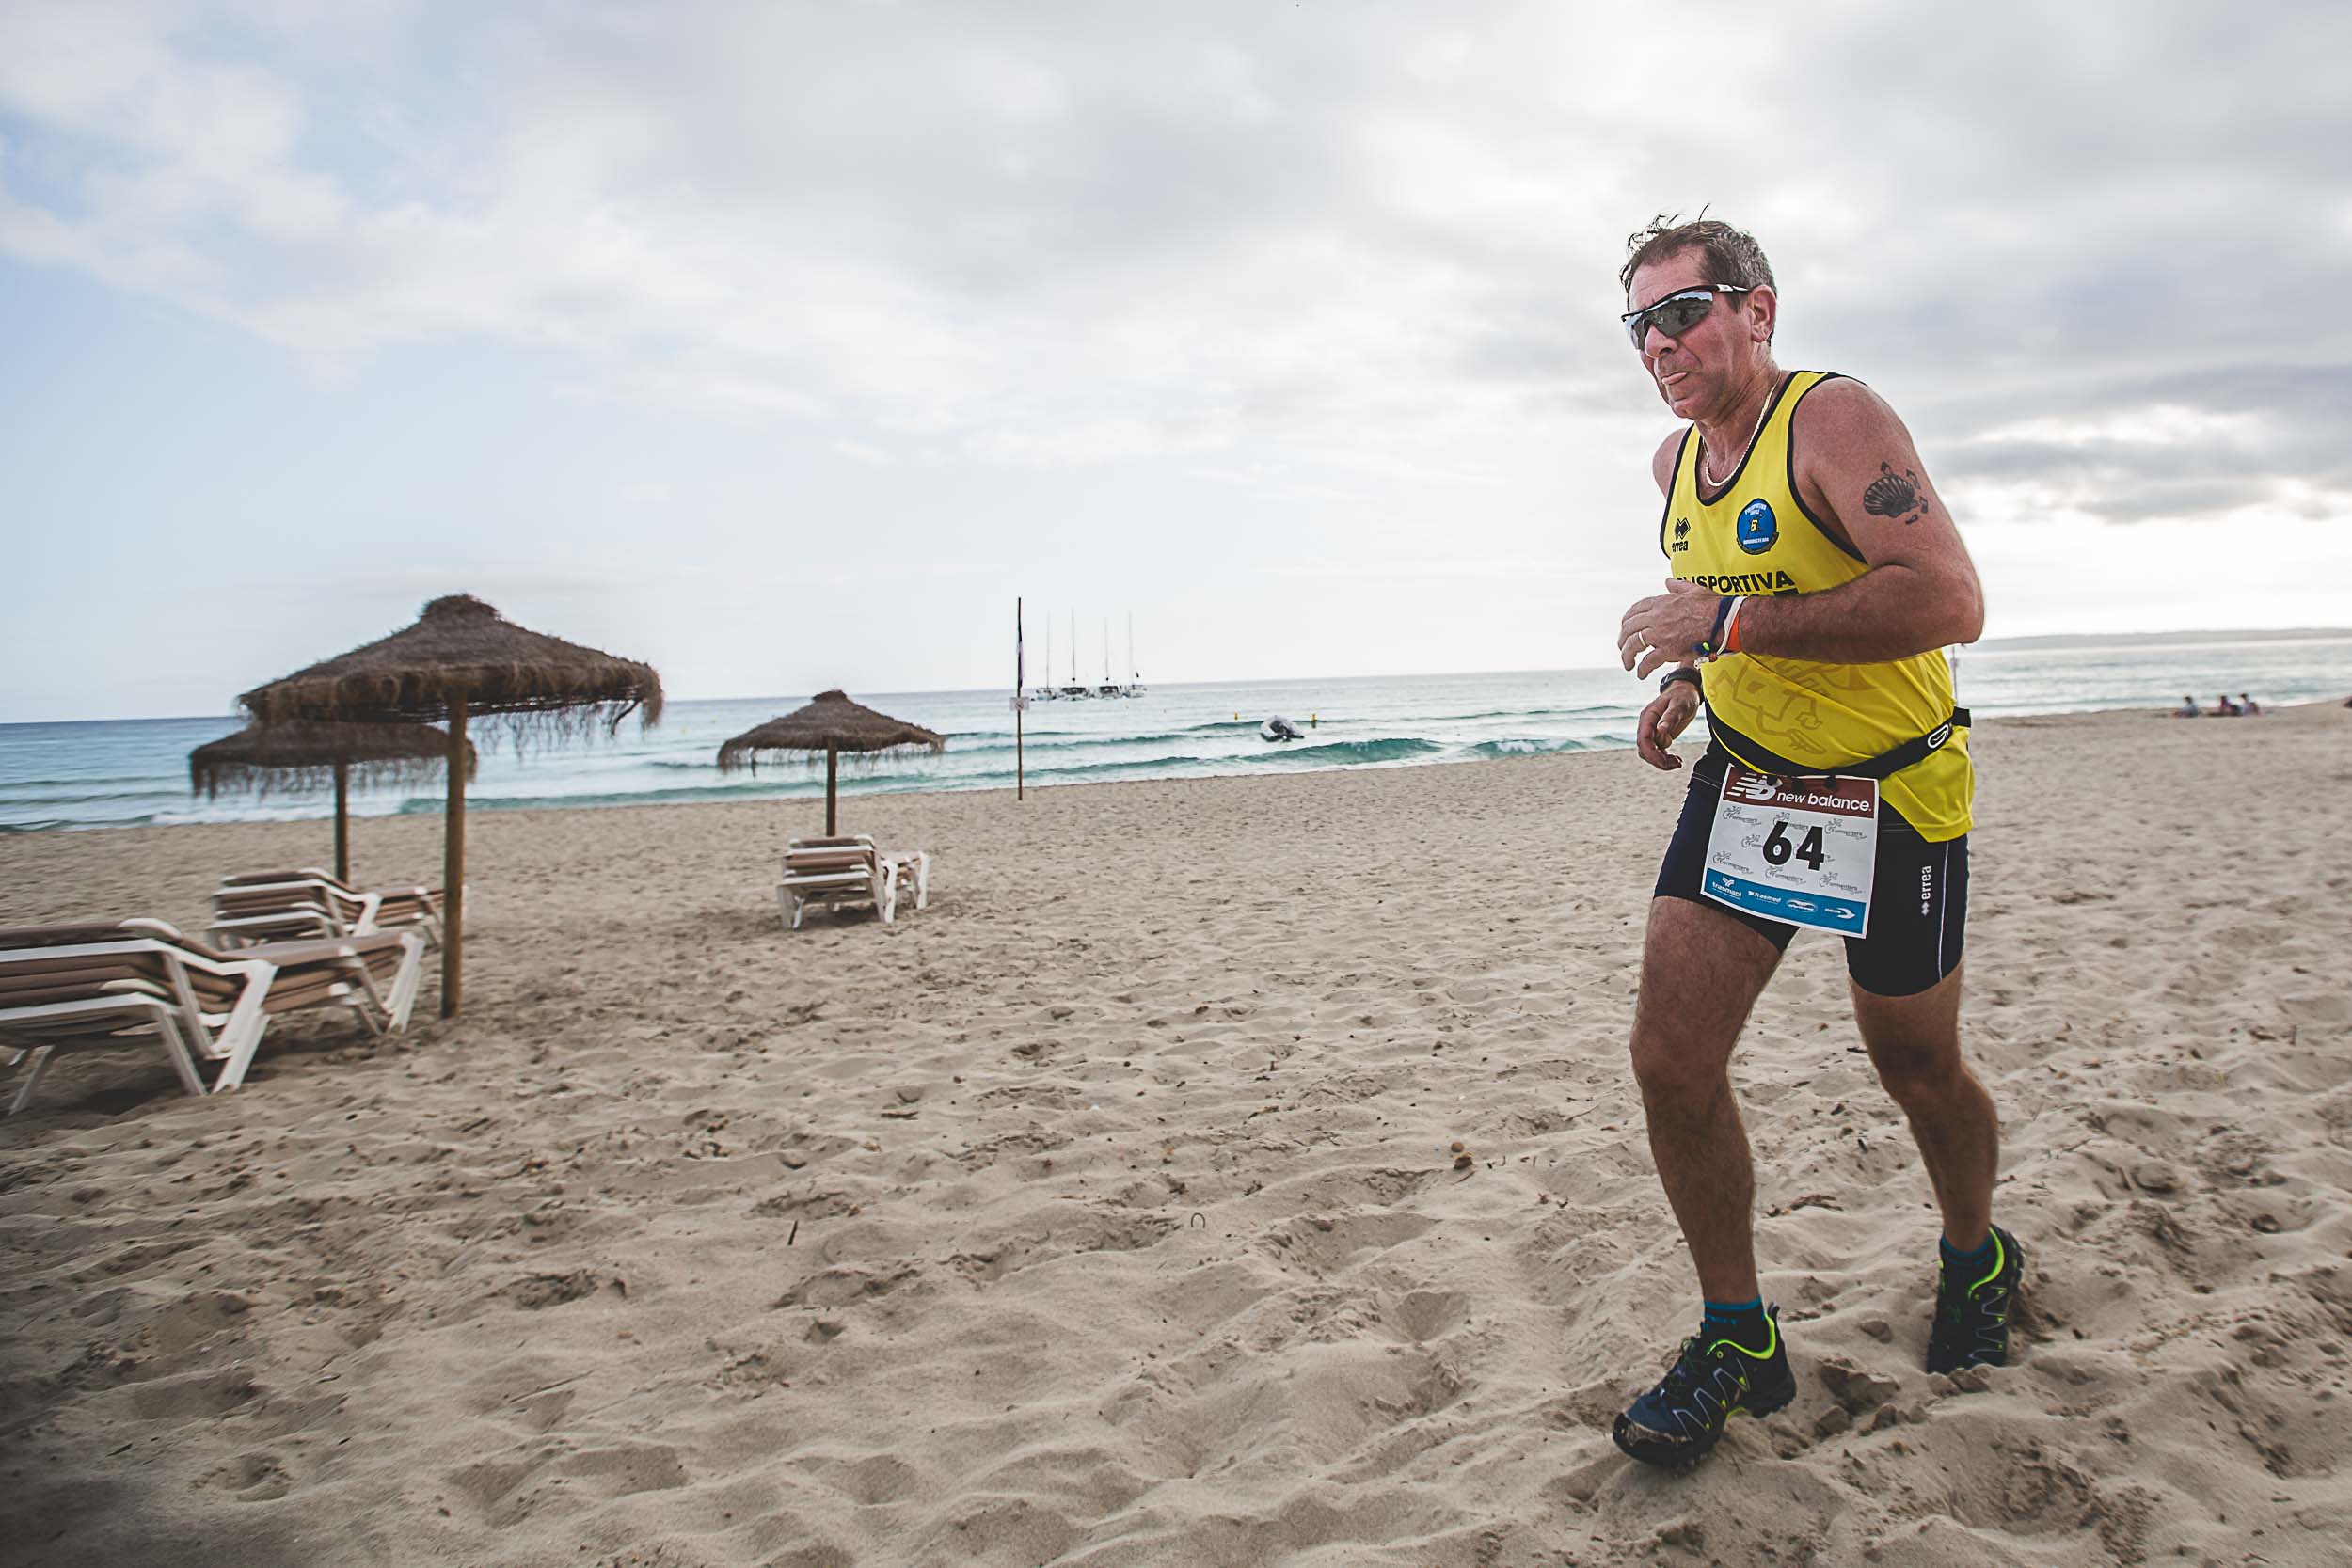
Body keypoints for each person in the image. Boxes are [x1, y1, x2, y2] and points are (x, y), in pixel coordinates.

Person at [1606, 215, 2018, 1469]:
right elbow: (1731, 603)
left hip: (1892, 796)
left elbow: (1949, 599)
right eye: (1640, 325)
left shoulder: (1833, 420)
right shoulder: (1676, 463)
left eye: (1684, 311)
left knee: (1918, 1069)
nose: (1661, 343)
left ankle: (1975, 1255)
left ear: (1757, 310)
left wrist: (1724, 632)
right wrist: (1693, 677)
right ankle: (1739, 1336)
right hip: (1750, 784)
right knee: (1670, 1060)